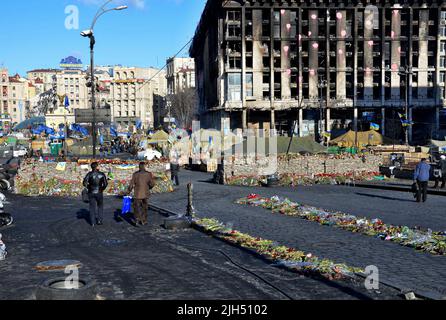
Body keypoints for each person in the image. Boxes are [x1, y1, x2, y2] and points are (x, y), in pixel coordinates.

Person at [83, 162, 108, 226]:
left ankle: (92, 222)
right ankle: (99, 220)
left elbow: (84, 183)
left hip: (91, 192)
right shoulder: (102, 174)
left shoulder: (89, 174)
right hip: (99, 192)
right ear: (96, 167)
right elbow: (105, 184)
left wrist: (89, 187)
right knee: (100, 206)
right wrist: (101, 189)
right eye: (98, 166)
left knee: (92, 207)